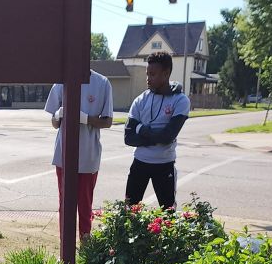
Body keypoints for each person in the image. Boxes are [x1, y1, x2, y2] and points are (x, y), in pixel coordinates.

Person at [44, 70, 114, 239]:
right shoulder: (61, 81)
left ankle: (85, 240)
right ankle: (65, 242)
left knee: (85, 203)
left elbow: (107, 121)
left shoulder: (102, 82)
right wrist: (58, 115)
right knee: (65, 203)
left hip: (88, 155)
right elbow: (54, 123)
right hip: (63, 155)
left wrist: (85, 118)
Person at [124, 52, 190, 210]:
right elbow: (128, 138)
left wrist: (141, 129)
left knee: (167, 214)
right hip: (139, 163)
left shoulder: (180, 100)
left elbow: (168, 136)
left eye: (152, 74)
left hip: (164, 164)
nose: (148, 78)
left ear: (166, 74)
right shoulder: (140, 100)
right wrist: (156, 136)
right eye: (147, 74)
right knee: (129, 210)